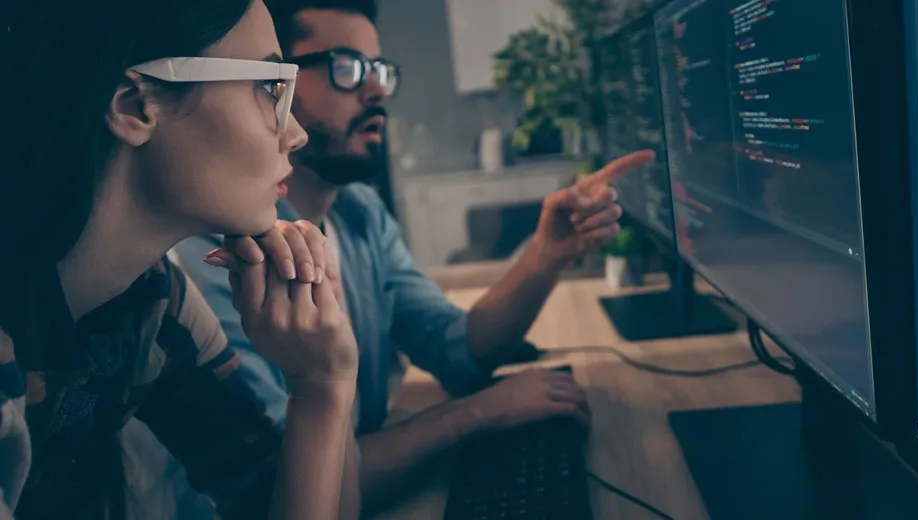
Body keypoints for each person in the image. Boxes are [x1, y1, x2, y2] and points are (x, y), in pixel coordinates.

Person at [173, 0, 654, 512]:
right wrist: (475, 414)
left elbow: (456, 348)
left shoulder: (359, 213)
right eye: (347, 67)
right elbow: (286, 490)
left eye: (378, 70)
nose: (376, 88)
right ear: (277, 86)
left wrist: (547, 254)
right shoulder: (220, 257)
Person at [0, 0, 362, 518]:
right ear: (134, 105)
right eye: (270, 87)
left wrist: (322, 384)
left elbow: (284, 504)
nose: (296, 134)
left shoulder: (152, 301)